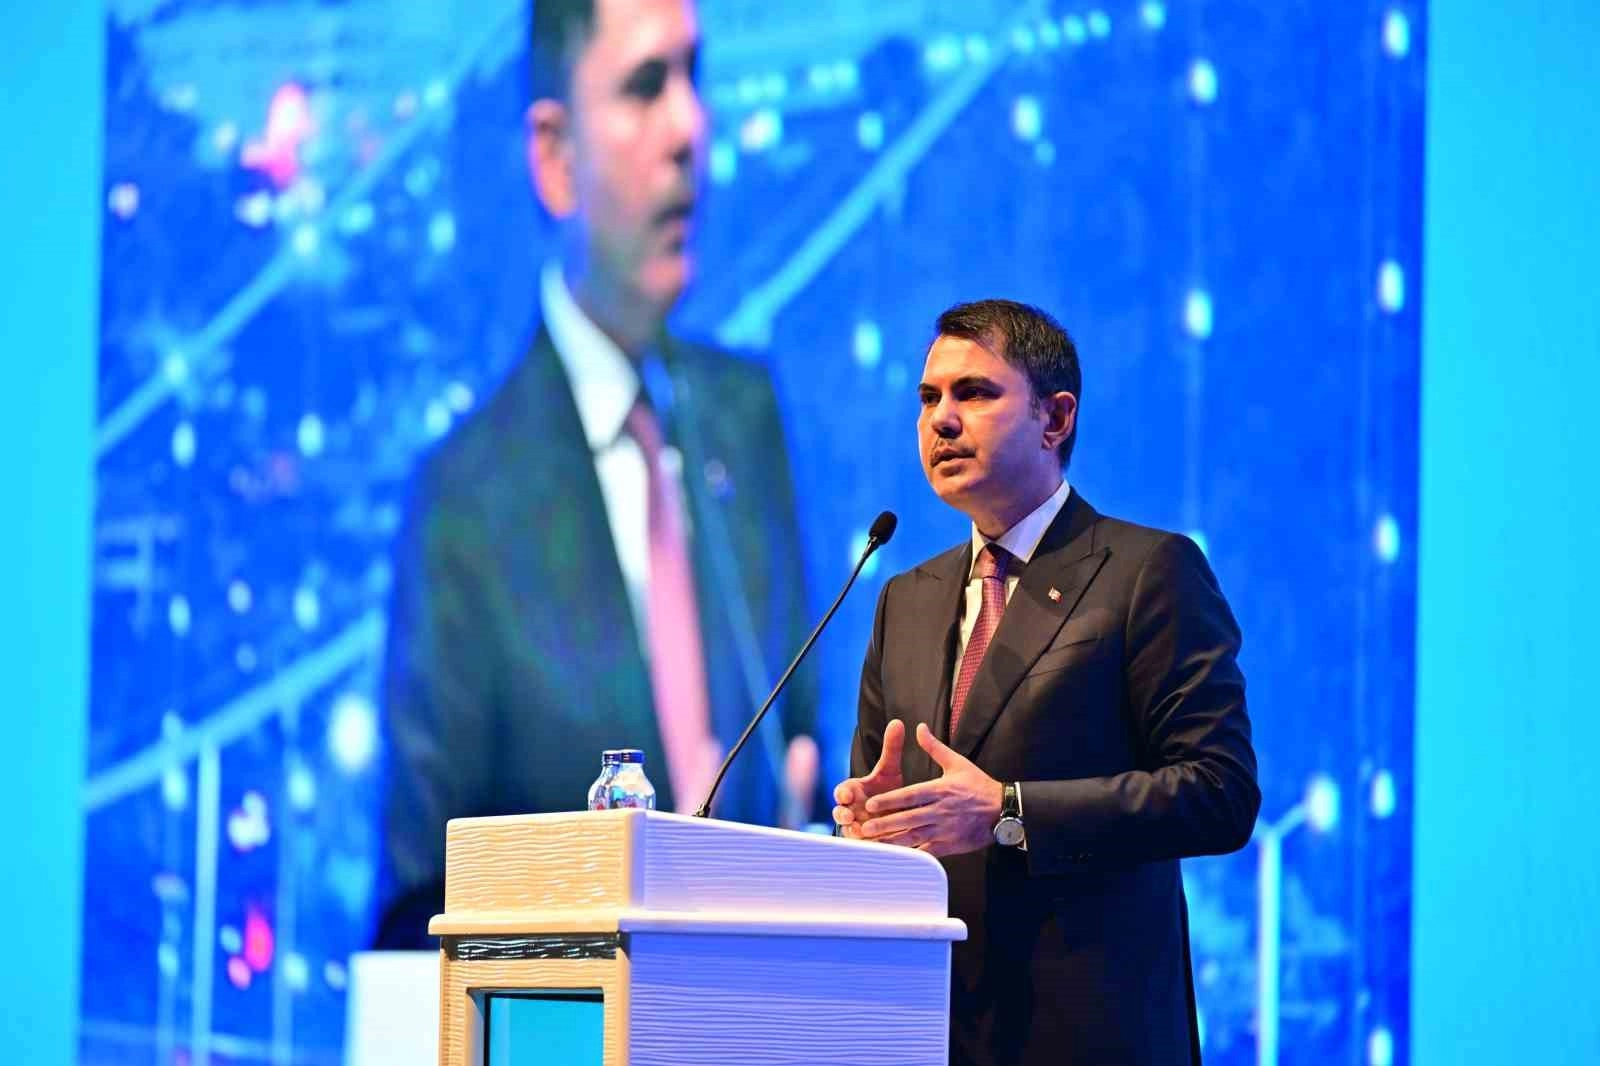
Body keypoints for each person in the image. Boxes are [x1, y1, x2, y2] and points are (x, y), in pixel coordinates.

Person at [374, 0, 818, 949]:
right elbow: (419, 908)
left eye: (695, 76)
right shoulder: (463, 501)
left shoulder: (745, 419)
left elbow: (806, 766)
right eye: (646, 87)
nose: (690, 127)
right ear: (555, 156)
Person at [833, 299, 1259, 1065]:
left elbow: (1218, 794)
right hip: (930, 1032)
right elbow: (883, 805)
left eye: (974, 393)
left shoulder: (1146, 573)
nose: (941, 420)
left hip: (1092, 1036)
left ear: (1055, 419)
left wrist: (1009, 812)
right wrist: (867, 830)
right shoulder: (906, 600)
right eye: (928, 398)